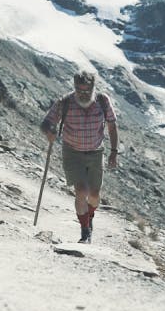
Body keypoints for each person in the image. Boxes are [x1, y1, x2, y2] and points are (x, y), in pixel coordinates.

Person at [40, 70, 118, 243]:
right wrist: (50, 131)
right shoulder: (65, 102)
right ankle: (85, 232)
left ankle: (89, 217)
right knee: (81, 191)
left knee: (95, 195)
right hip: (72, 152)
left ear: (93, 88)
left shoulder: (103, 101)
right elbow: (46, 122)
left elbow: (112, 126)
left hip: (96, 152)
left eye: (86, 91)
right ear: (74, 87)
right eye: (79, 90)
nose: (83, 94)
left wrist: (114, 152)